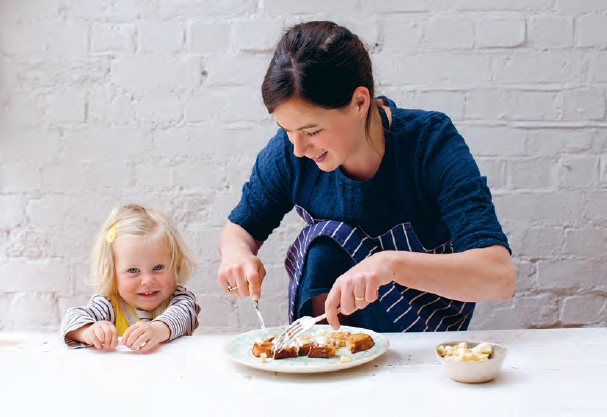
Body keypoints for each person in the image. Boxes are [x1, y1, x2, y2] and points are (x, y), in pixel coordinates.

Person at [217, 21, 515, 332]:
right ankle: (324, 351)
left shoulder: (430, 143)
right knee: (325, 247)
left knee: (329, 237)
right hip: (335, 333)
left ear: (360, 102)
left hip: (426, 334)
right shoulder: (289, 152)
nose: (299, 149)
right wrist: (236, 253)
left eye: (313, 131)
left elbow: (499, 276)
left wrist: (389, 265)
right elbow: (239, 229)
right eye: (286, 131)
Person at [62, 204, 200, 351]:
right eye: (133, 270)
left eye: (158, 268)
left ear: (175, 264)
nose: (147, 280)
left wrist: (156, 330)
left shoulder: (181, 300)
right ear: (112, 273)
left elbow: (183, 315)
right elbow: (72, 319)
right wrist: (89, 331)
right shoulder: (109, 304)